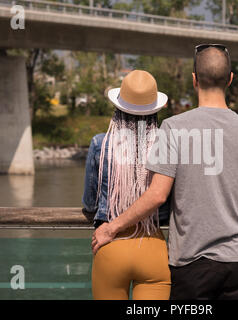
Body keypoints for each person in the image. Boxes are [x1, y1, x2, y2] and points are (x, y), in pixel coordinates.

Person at [92, 44, 238, 300]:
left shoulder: (174, 128)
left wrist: (111, 228)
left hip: (191, 263)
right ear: (230, 79)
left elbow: (157, 196)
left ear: (195, 80)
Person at [83, 70, 171, 300]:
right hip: (153, 245)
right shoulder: (166, 146)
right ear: (155, 112)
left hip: (111, 243)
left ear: (118, 109)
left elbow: (89, 205)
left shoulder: (100, 144)